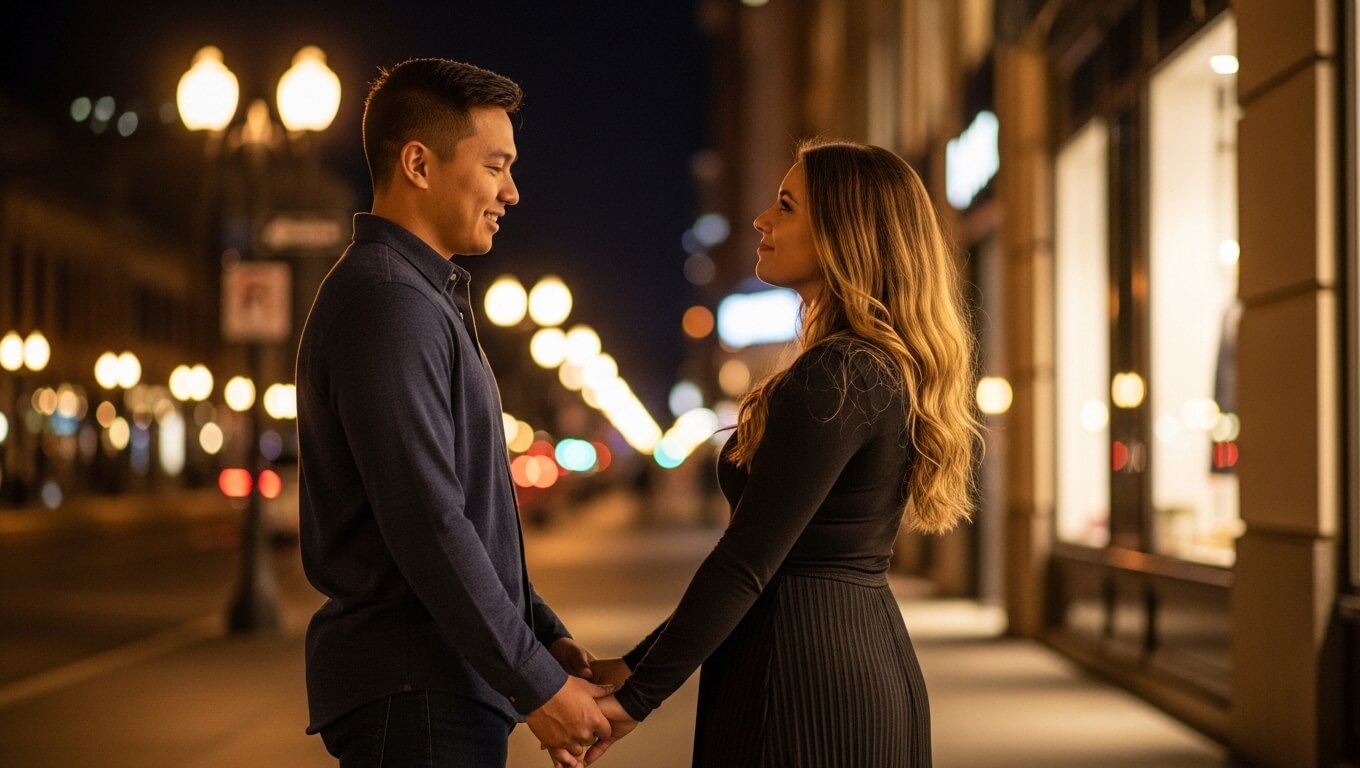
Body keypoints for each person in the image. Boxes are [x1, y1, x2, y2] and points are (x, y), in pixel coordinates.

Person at [586, 140, 981, 767]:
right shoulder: (870, 367)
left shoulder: (839, 373)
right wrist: (633, 668)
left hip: (803, 679)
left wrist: (635, 699)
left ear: (841, 234)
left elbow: (747, 561)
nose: (761, 221)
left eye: (786, 206)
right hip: (850, 657)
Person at [295, 58, 611, 768]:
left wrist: (541, 636)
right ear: (418, 163)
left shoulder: (417, 296)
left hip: (438, 688)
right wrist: (537, 688)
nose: (512, 191)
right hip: (416, 695)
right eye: (496, 166)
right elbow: (428, 521)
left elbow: (466, 513)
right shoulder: (387, 304)